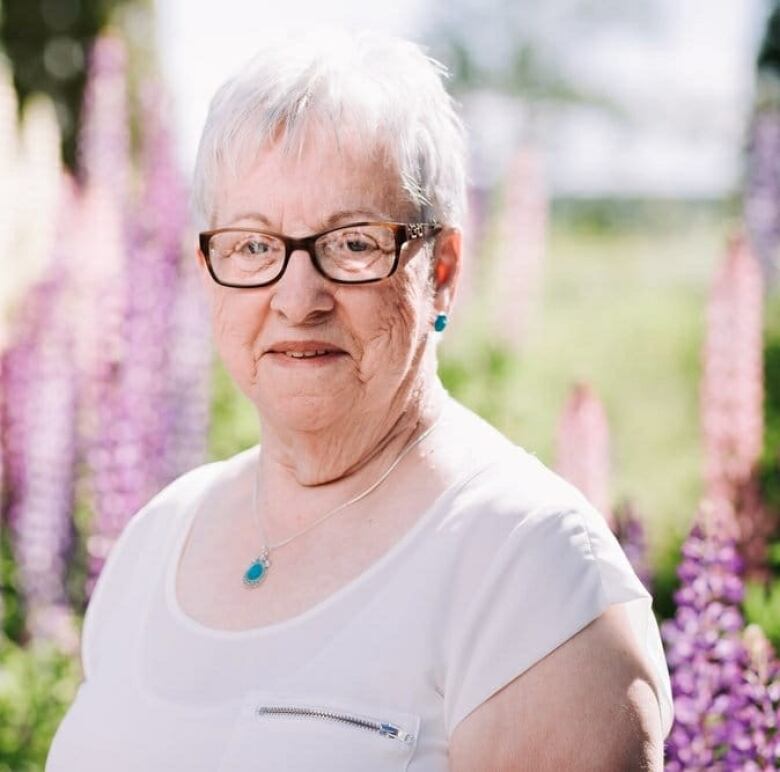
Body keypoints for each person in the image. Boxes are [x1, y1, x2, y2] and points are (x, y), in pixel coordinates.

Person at [47, 27, 673, 771]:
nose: (296, 297)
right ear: (207, 270)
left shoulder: (533, 574)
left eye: (352, 243)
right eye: (252, 245)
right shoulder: (154, 542)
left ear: (441, 269)